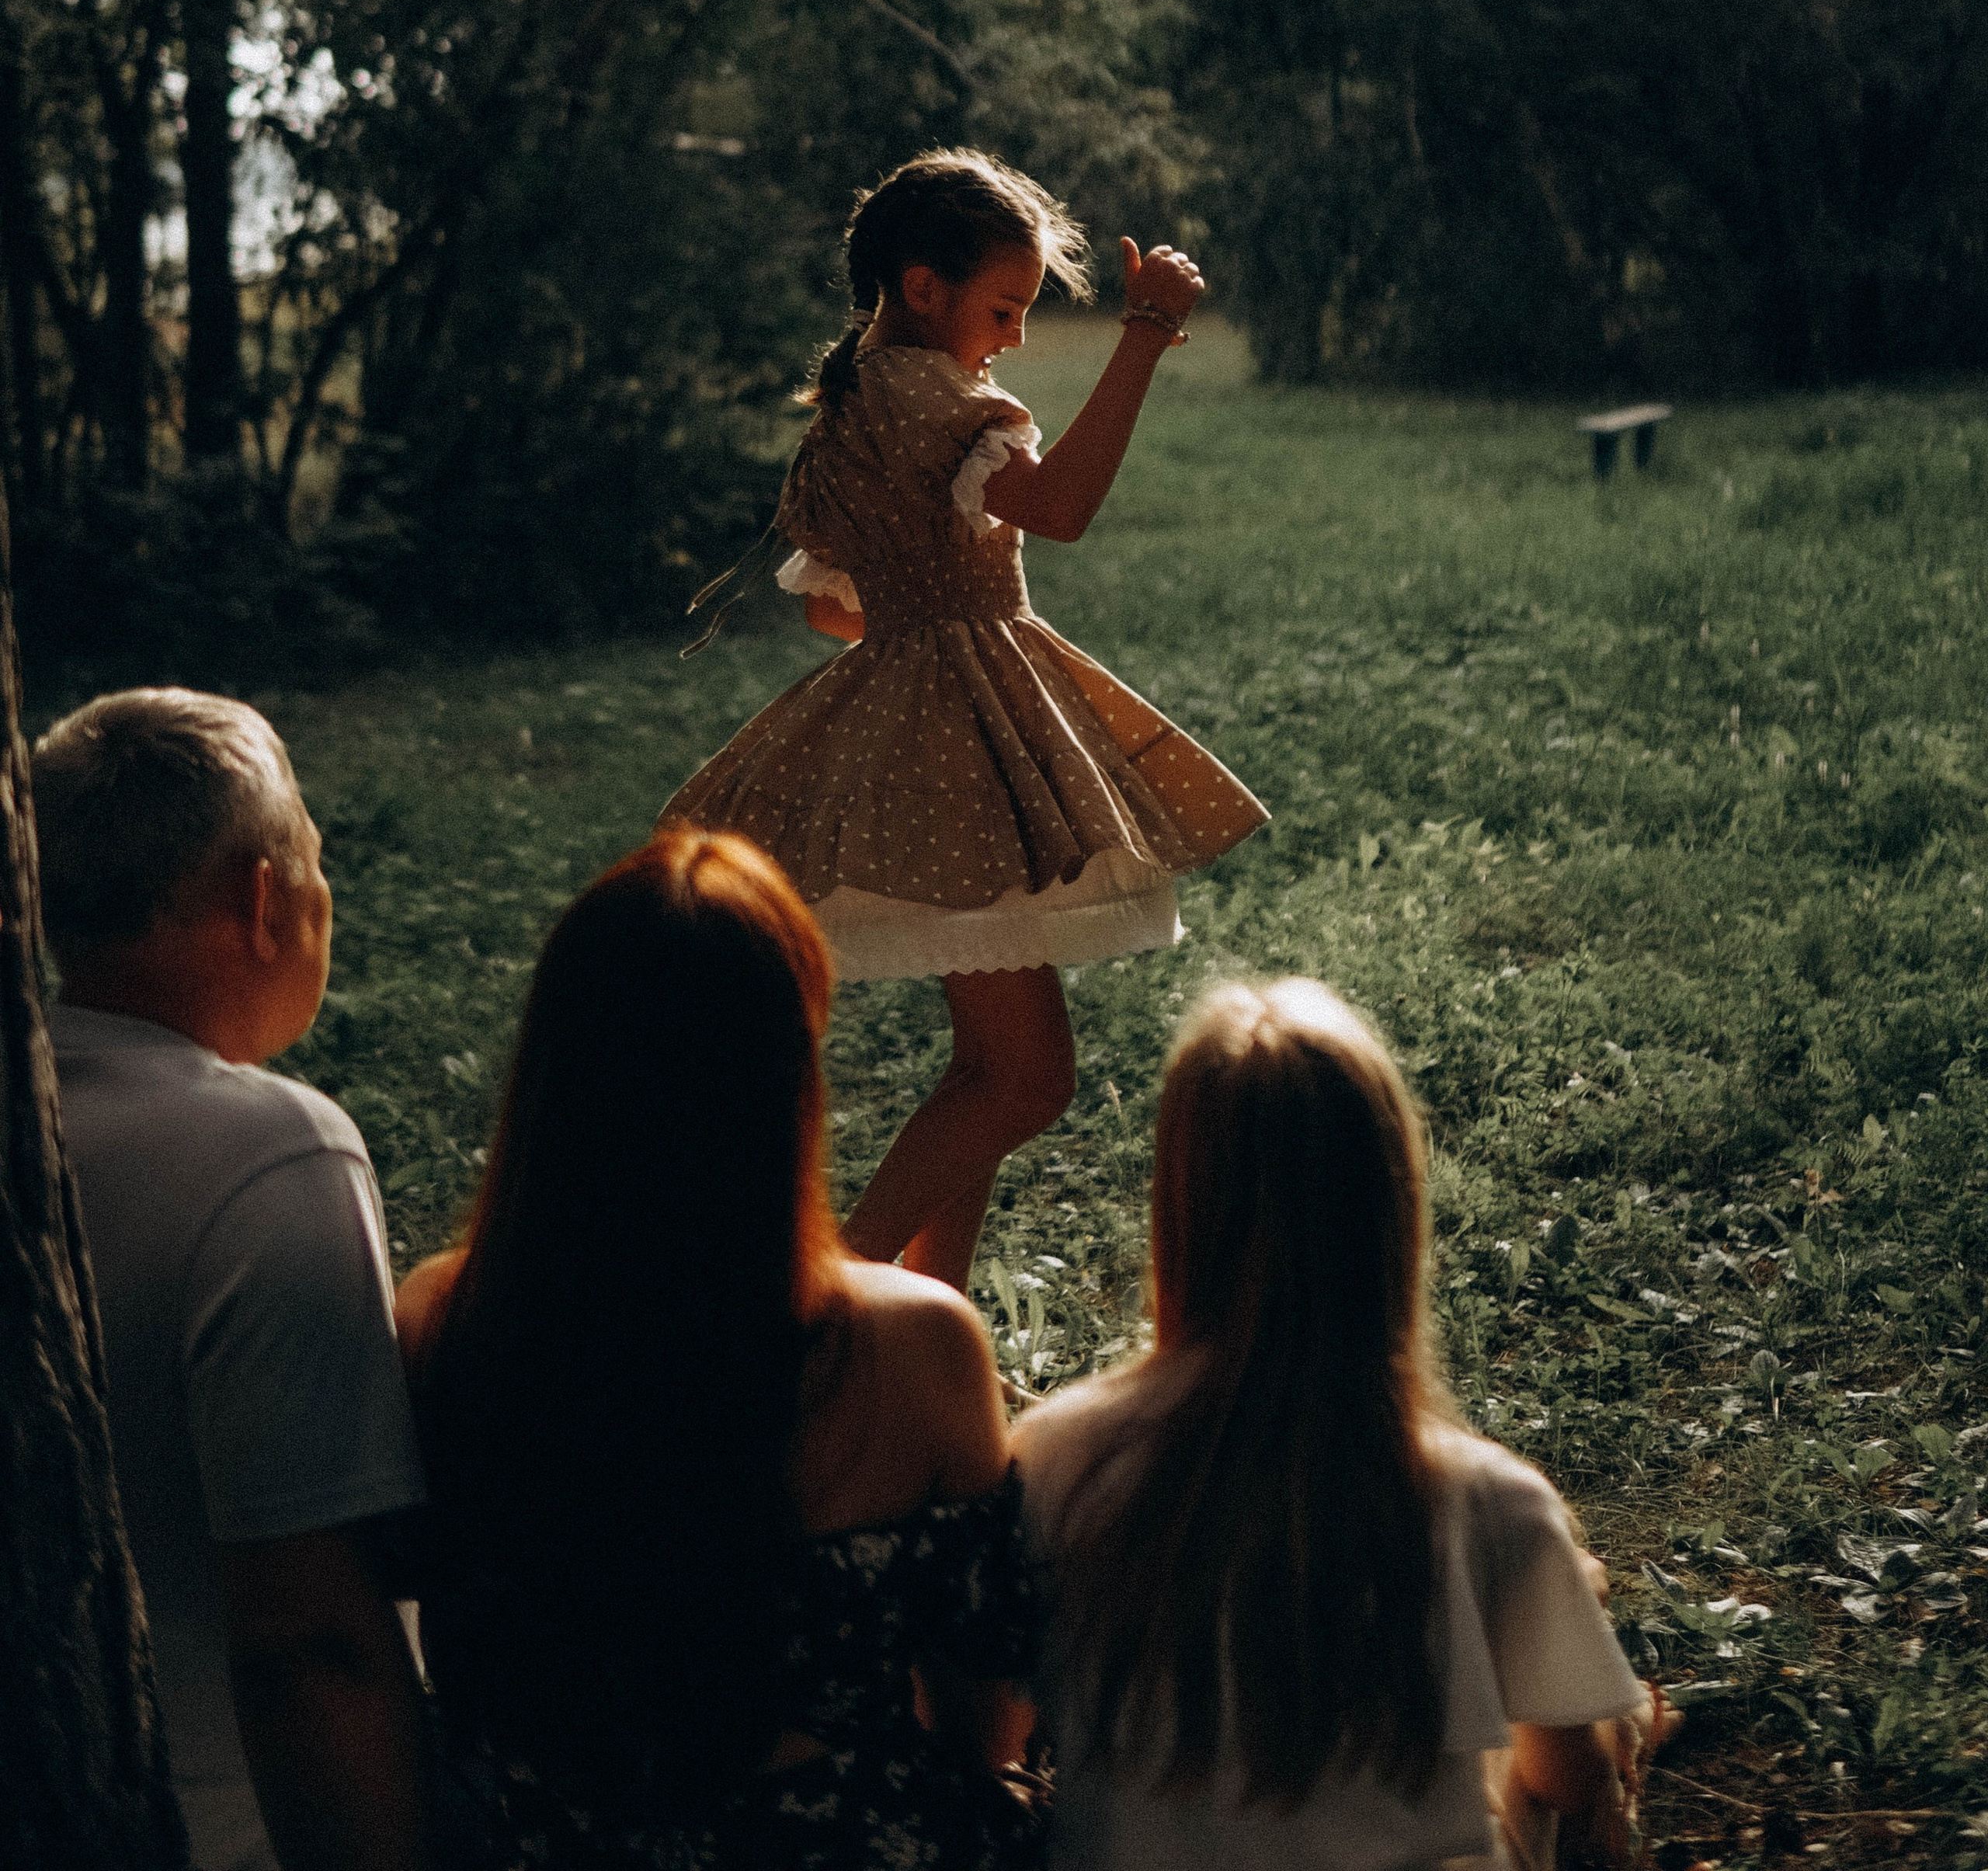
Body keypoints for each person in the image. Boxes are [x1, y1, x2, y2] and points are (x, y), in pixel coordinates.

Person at [657, 148, 1267, 1288]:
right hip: (958, 735)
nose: (1018, 338)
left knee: (987, 1074)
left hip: (930, 717)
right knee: (1027, 1081)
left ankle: (929, 1328)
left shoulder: (854, 403)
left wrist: (930, 610)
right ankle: (834, 1309)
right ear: (920, 286)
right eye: (1005, 308)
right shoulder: (936, 396)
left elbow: (836, 615)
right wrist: (1144, 333)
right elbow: (1065, 509)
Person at [396, 824, 1044, 1871]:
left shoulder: (443, 1320)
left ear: (557, 1059)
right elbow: (990, 1727)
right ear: (789, 1062)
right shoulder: (916, 1343)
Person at [1011, 979, 1652, 1871]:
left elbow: (1001, 1727)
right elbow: (1569, 1776)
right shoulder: (1489, 1502)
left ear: (1178, 1202)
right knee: (1568, 1732)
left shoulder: (1052, 1458)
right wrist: (1601, 1697)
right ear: (1391, 1212)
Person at [37, 687, 432, 1871]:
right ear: (266, 896)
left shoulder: (27, 1109)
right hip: (229, 1828)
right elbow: (307, 1639)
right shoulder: (269, 1157)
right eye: (318, 862)